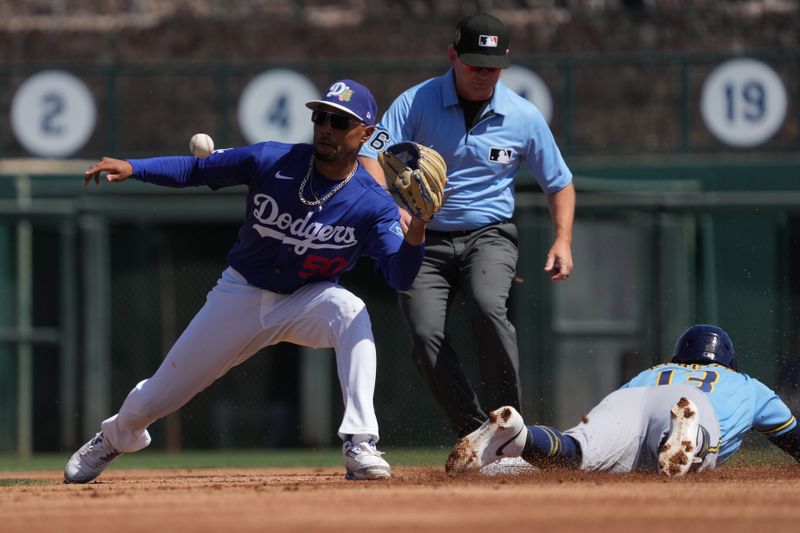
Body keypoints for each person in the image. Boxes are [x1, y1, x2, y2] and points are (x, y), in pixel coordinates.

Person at [64, 79, 429, 483]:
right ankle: (116, 436)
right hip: (241, 292)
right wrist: (134, 168)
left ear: (365, 133)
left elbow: (399, 276)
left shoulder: (373, 203)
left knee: (351, 311)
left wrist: (417, 233)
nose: (326, 127)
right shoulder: (273, 159)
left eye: (340, 121)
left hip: (308, 298)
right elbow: (197, 169)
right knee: (158, 396)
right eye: (321, 117)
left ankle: (360, 441)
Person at [358, 13, 575, 442]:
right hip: (422, 237)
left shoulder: (522, 115)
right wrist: (388, 206)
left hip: (489, 234)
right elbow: (369, 155)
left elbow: (560, 182)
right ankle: (474, 434)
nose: (483, 74)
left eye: (492, 67)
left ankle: (510, 429)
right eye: (474, 64)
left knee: (487, 307)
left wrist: (563, 240)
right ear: (453, 56)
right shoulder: (416, 102)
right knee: (424, 333)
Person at [446, 324, 800, 476]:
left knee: (574, 453)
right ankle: (688, 436)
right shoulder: (748, 385)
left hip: (633, 397)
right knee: (694, 443)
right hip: (690, 405)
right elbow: (793, 441)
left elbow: (623, 408)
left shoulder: (656, 370)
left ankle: (520, 434)